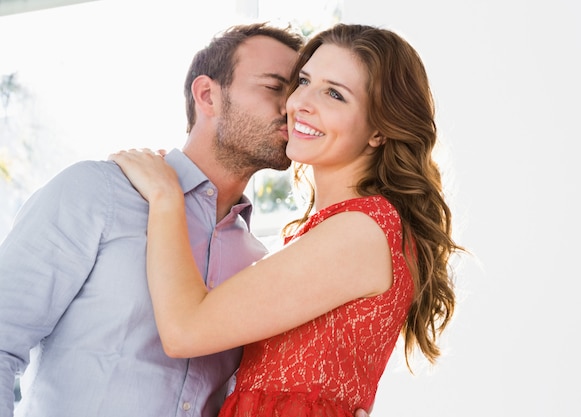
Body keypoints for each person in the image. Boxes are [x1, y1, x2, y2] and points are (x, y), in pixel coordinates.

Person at [110, 23, 463, 416]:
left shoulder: (360, 229)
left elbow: (184, 331)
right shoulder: (344, 227)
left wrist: (165, 196)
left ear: (379, 130)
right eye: (305, 81)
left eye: (334, 94)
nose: (297, 104)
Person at [0, 22, 305, 417]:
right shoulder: (97, 193)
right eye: (274, 87)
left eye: (296, 93)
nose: (292, 107)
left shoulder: (258, 261)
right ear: (207, 95)